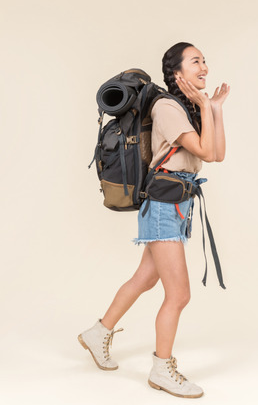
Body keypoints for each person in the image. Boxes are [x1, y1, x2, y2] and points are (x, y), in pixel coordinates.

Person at [78, 42, 230, 399]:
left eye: (204, 60)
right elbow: (206, 151)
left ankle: (98, 333)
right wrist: (207, 107)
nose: (204, 67)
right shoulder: (167, 108)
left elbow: (218, 154)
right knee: (178, 295)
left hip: (176, 206)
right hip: (164, 206)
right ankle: (162, 368)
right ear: (177, 73)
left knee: (144, 279)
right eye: (196, 61)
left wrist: (214, 110)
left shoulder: (190, 108)